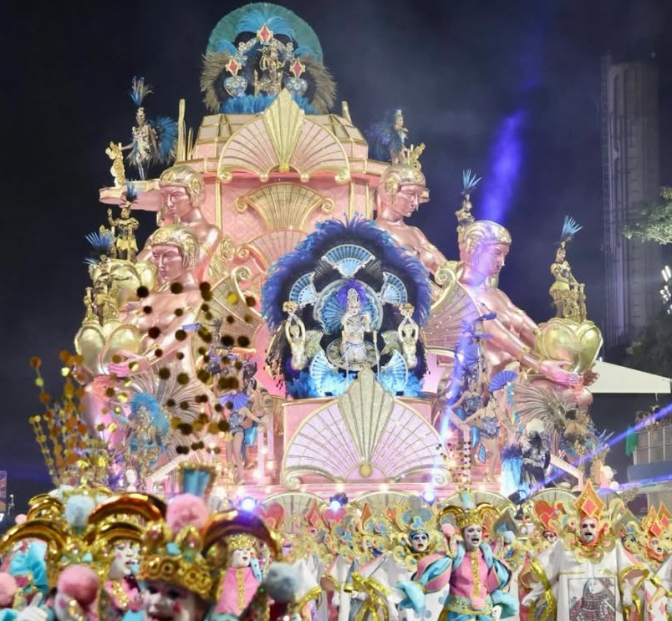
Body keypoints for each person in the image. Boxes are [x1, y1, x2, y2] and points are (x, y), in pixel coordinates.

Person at [522, 481, 646, 621]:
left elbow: (625, 575)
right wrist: (534, 594)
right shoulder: (564, 547)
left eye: (592, 525)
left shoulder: (612, 547)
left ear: (599, 527)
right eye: (584, 525)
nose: (588, 529)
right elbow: (548, 573)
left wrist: (628, 592)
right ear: (578, 528)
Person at [374, 151, 447, 275]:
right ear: (390, 190)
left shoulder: (416, 233)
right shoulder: (375, 230)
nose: (416, 203)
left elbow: (446, 270)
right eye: (410, 194)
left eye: (418, 196)